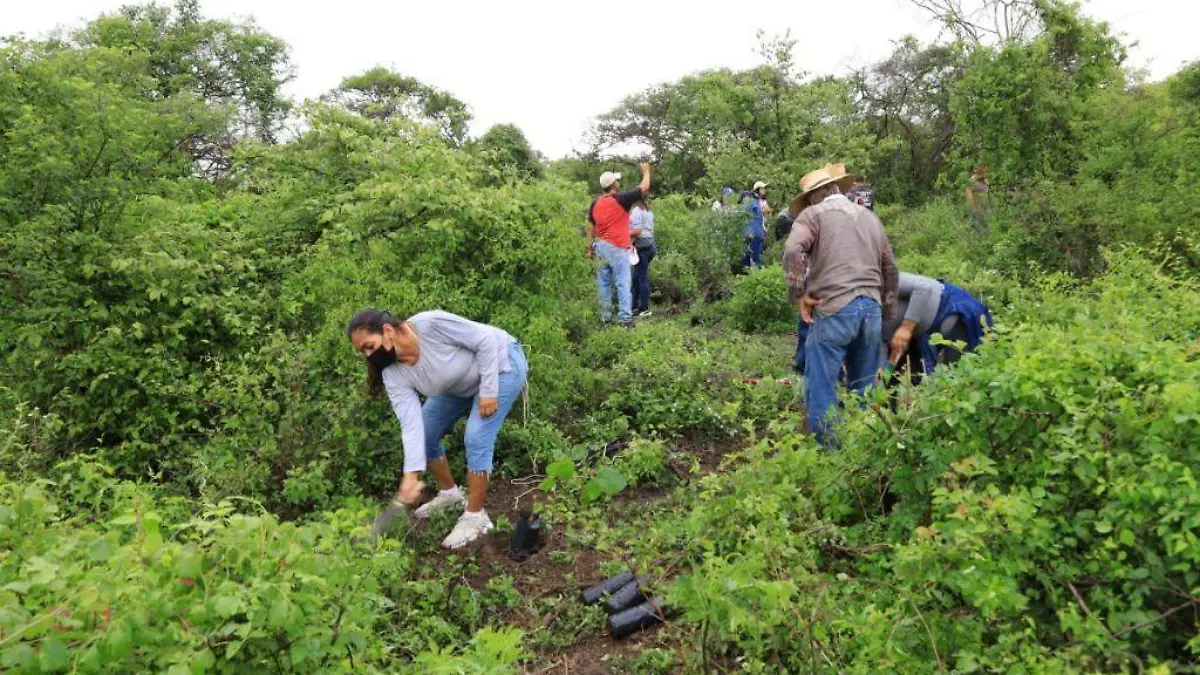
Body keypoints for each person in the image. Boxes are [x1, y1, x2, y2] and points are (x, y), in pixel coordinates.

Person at [347, 309, 529, 549]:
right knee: (425, 432)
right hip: (458, 385)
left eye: (369, 346)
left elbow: (485, 339)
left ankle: (476, 518)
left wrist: (488, 389)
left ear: (388, 331)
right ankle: (451, 494)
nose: (369, 356)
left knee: (476, 437)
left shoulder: (431, 325)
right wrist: (410, 476)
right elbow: (411, 426)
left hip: (500, 365)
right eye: (363, 351)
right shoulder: (393, 374)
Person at [784, 165, 898, 446]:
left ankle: (831, 455)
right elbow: (890, 268)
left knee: (821, 385)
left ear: (812, 198)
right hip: (870, 309)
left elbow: (792, 250)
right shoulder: (870, 218)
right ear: (837, 189)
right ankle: (862, 451)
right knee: (864, 389)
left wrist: (799, 296)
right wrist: (887, 313)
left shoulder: (812, 215)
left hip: (834, 308)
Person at [881, 272, 994, 383]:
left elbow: (925, 288)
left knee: (954, 377)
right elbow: (891, 351)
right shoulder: (870, 330)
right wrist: (884, 374)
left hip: (950, 314)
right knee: (915, 381)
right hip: (918, 335)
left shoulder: (882, 281)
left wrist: (906, 327)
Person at [587, 164, 652, 327]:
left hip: (600, 246)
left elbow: (590, 227)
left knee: (603, 284)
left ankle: (606, 320)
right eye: (617, 180)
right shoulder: (621, 199)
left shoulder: (595, 203)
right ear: (613, 185)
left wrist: (589, 247)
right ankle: (625, 319)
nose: (619, 182)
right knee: (623, 282)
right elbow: (644, 187)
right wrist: (646, 171)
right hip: (617, 246)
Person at [630, 197, 657, 317]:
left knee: (641, 278)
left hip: (641, 248)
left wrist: (624, 233)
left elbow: (637, 231)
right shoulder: (648, 211)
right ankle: (634, 306)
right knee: (636, 278)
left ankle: (644, 309)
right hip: (650, 246)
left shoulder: (636, 211)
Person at [742, 180, 769, 270]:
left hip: (758, 233)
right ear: (758, 189)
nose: (765, 190)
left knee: (753, 255)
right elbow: (744, 214)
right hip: (753, 233)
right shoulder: (752, 202)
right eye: (763, 188)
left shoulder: (757, 202)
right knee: (753, 257)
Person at [965, 166, 990, 232]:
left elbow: (987, 192)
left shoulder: (984, 181)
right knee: (976, 225)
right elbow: (969, 194)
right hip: (976, 207)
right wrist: (974, 207)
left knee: (987, 225)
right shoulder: (971, 181)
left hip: (985, 207)